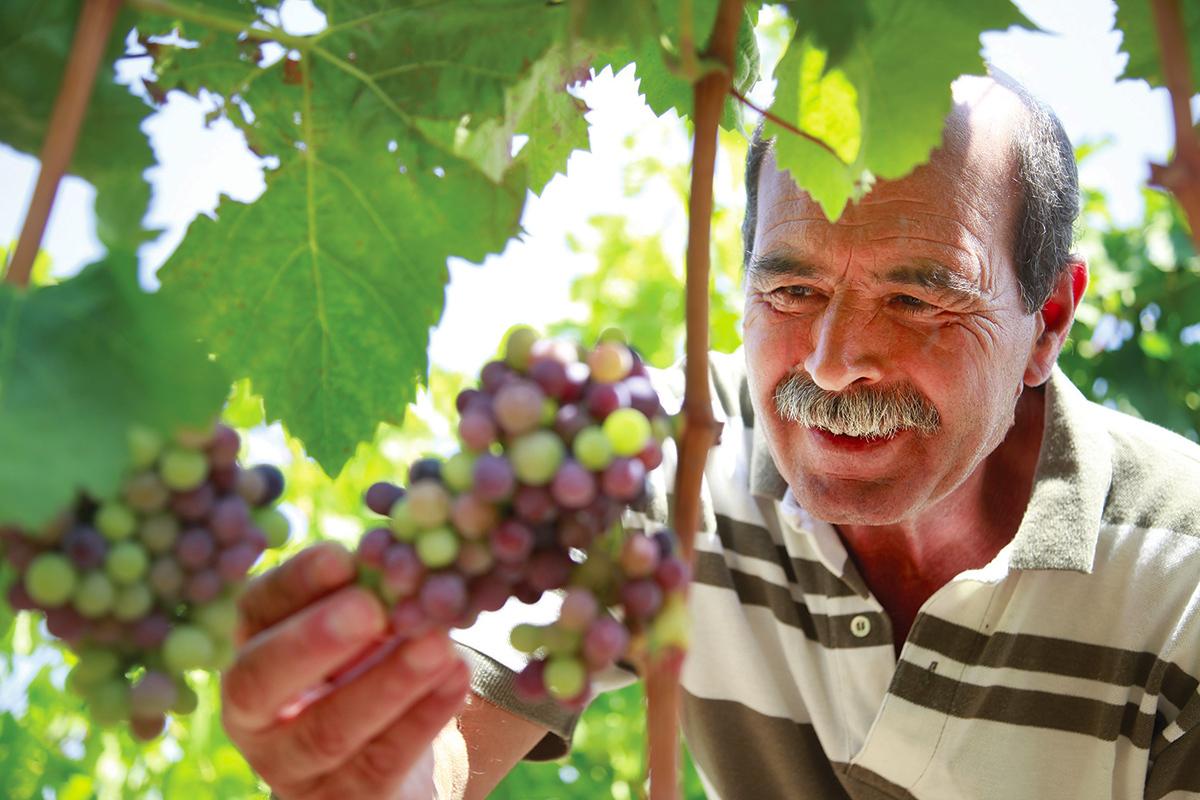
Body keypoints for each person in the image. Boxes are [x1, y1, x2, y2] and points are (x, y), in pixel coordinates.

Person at [219, 72, 1200, 799]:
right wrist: (372, 766)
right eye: (791, 289)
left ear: (1051, 319)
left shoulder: (1183, 579)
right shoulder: (657, 461)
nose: (829, 361)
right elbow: (442, 739)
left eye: (916, 297)